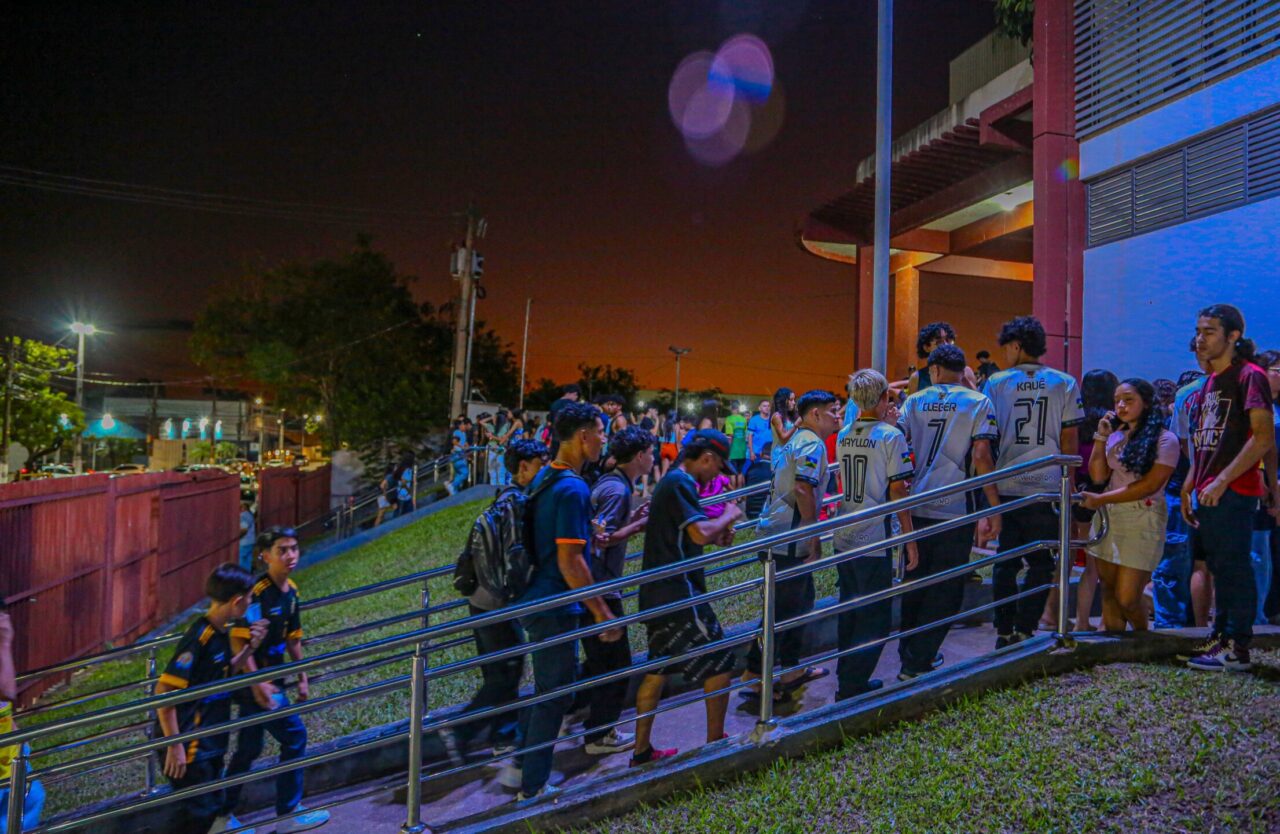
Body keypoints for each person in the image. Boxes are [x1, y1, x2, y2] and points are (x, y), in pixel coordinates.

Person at [508, 402, 621, 800]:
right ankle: (532, 786)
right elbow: (571, 562)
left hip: (535, 595)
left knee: (553, 688)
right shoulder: (573, 488)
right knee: (555, 693)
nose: (604, 439)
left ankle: (520, 763)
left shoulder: (547, 477)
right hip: (554, 603)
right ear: (583, 436)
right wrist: (602, 613)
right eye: (601, 432)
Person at [633, 430, 744, 764]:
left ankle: (641, 751)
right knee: (721, 661)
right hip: (679, 592)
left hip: (658, 592)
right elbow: (698, 532)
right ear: (707, 458)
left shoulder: (672, 482)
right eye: (718, 467)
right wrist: (730, 513)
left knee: (658, 666)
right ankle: (715, 742)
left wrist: (717, 534)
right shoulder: (681, 483)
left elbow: (688, 535)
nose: (717, 475)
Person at [897, 346, 1001, 678]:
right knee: (946, 588)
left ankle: (908, 653)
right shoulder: (978, 402)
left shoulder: (914, 401)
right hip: (956, 508)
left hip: (917, 505)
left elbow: (898, 443)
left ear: (935, 370)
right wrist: (994, 506)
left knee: (915, 581)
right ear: (963, 369)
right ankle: (919, 659)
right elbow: (982, 455)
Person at [1183, 304, 1274, 672]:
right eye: (1198, 331)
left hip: (1234, 490)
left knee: (1234, 566)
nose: (1200, 339)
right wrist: (1191, 484)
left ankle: (1238, 648)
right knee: (1218, 566)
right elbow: (1205, 442)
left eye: (1209, 332)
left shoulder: (1250, 376)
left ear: (1233, 336)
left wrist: (1222, 481)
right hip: (1208, 489)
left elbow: (1263, 437)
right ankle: (1220, 638)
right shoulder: (1209, 382)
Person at [983, 316, 1084, 648]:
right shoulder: (1064, 382)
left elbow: (988, 438)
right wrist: (1069, 484)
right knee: (1042, 562)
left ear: (1016, 346)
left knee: (1006, 561)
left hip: (1008, 483)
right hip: (1048, 485)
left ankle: (1003, 629)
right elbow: (1069, 438)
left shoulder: (997, 382)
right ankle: (1026, 627)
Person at [221, 530, 330, 833]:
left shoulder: (291, 591)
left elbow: (293, 639)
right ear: (265, 555)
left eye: (294, 548)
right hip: (255, 684)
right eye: (282, 550)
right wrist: (258, 684)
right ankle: (286, 813)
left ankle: (223, 816)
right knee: (294, 736)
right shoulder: (256, 592)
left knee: (249, 749)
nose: (290, 555)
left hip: (272, 682)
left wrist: (302, 676)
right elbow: (240, 641)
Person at [452, 439, 548, 763]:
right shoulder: (517, 502)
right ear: (524, 467)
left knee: (502, 671)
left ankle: (503, 736)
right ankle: (460, 731)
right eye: (541, 462)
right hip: (497, 602)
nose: (546, 468)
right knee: (505, 672)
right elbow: (516, 558)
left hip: (481, 599)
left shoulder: (502, 498)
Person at [743, 390, 841, 702]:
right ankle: (754, 675)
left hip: (776, 532)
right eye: (833, 410)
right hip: (787, 538)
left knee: (800, 602)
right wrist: (813, 535)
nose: (838, 416)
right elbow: (802, 488)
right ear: (815, 414)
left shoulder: (796, 439)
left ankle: (790, 670)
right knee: (782, 611)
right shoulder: (811, 443)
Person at [155, 564, 267, 834]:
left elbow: (224, 672)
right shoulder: (200, 637)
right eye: (249, 597)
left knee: (210, 808)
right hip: (190, 744)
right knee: (201, 813)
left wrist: (250, 648)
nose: (251, 602)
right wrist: (174, 745)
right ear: (237, 601)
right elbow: (164, 690)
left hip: (209, 740)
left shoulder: (221, 632)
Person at [832, 370, 918, 698]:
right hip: (873, 535)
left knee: (850, 607)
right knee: (876, 616)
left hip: (844, 529)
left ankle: (846, 675)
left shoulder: (844, 433)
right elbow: (898, 489)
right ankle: (853, 682)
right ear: (883, 398)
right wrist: (909, 538)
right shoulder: (890, 436)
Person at [1080, 379, 1179, 632]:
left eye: (1128, 400)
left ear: (1146, 403)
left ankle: (1143, 637)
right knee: (1109, 591)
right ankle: (1117, 645)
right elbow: (1098, 476)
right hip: (1110, 517)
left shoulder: (1165, 440)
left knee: (1127, 597)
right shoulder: (1116, 437)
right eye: (1117, 401)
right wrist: (1101, 437)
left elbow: (1149, 485)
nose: (1121, 406)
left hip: (1142, 518)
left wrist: (1101, 499)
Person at [576, 427, 652, 755]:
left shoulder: (611, 484)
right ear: (640, 456)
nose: (653, 458)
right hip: (601, 591)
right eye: (651, 453)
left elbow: (603, 527)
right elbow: (599, 539)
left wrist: (630, 519)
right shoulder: (617, 490)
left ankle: (582, 717)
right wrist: (637, 526)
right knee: (617, 666)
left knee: (600, 663)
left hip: (595, 589)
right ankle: (599, 735)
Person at [1065, 369, 1121, 632]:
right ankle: (1104, 622)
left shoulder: (1076, 418)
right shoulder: (1112, 420)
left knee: (1085, 562)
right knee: (1103, 563)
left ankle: (1079, 620)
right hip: (1104, 494)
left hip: (1079, 491)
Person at [1160, 353, 1211, 628]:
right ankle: (1206, 627)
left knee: (1184, 562)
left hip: (1186, 487)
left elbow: (1182, 445)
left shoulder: (1184, 396)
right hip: (1211, 488)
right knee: (1207, 564)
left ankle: (1181, 625)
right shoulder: (1238, 387)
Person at [1, 606, 45, 831]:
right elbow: (6, 691)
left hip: (8, 755)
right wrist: (4, 643)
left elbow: (5, 702)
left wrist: (17, 735)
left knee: (32, 797)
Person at [723, 402, 748, 486]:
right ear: (738, 409)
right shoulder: (743, 419)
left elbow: (730, 436)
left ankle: (734, 493)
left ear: (731, 409)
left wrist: (727, 451)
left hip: (733, 450)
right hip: (743, 450)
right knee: (740, 472)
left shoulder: (729, 419)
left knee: (732, 473)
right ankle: (740, 492)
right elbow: (745, 434)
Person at [747, 399, 772, 467]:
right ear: (759, 408)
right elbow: (750, 437)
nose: (767, 408)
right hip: (757, 452)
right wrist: (751, 452)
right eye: (764, 406)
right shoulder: (754, 420)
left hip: (769, 452)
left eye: (768, 406)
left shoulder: (773, 419)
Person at [238, 499, 256, 572]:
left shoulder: (243, 515)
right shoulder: (250, 515)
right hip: (251, 541)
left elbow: (244, 529)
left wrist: (237, 537)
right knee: (248, 561)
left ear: (243, 508)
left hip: (244, 542)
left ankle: (242, 576)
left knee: (242, 561)